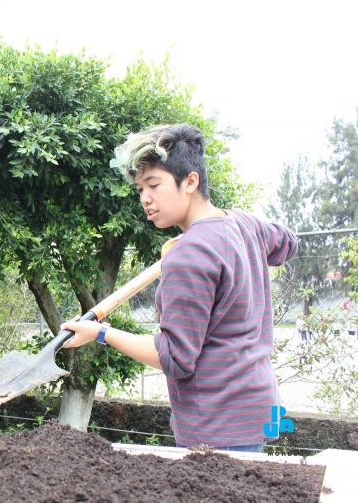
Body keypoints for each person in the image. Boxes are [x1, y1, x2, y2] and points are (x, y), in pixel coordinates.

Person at [61, 124, 298, 452]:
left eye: (154, 184)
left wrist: (101, 333)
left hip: (215, 426)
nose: (145, 198)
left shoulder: (189, 255)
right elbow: (287, 243)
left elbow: (175, 357)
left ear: (190, 181)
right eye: (140, 188)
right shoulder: (243, 224)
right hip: (258, 409)